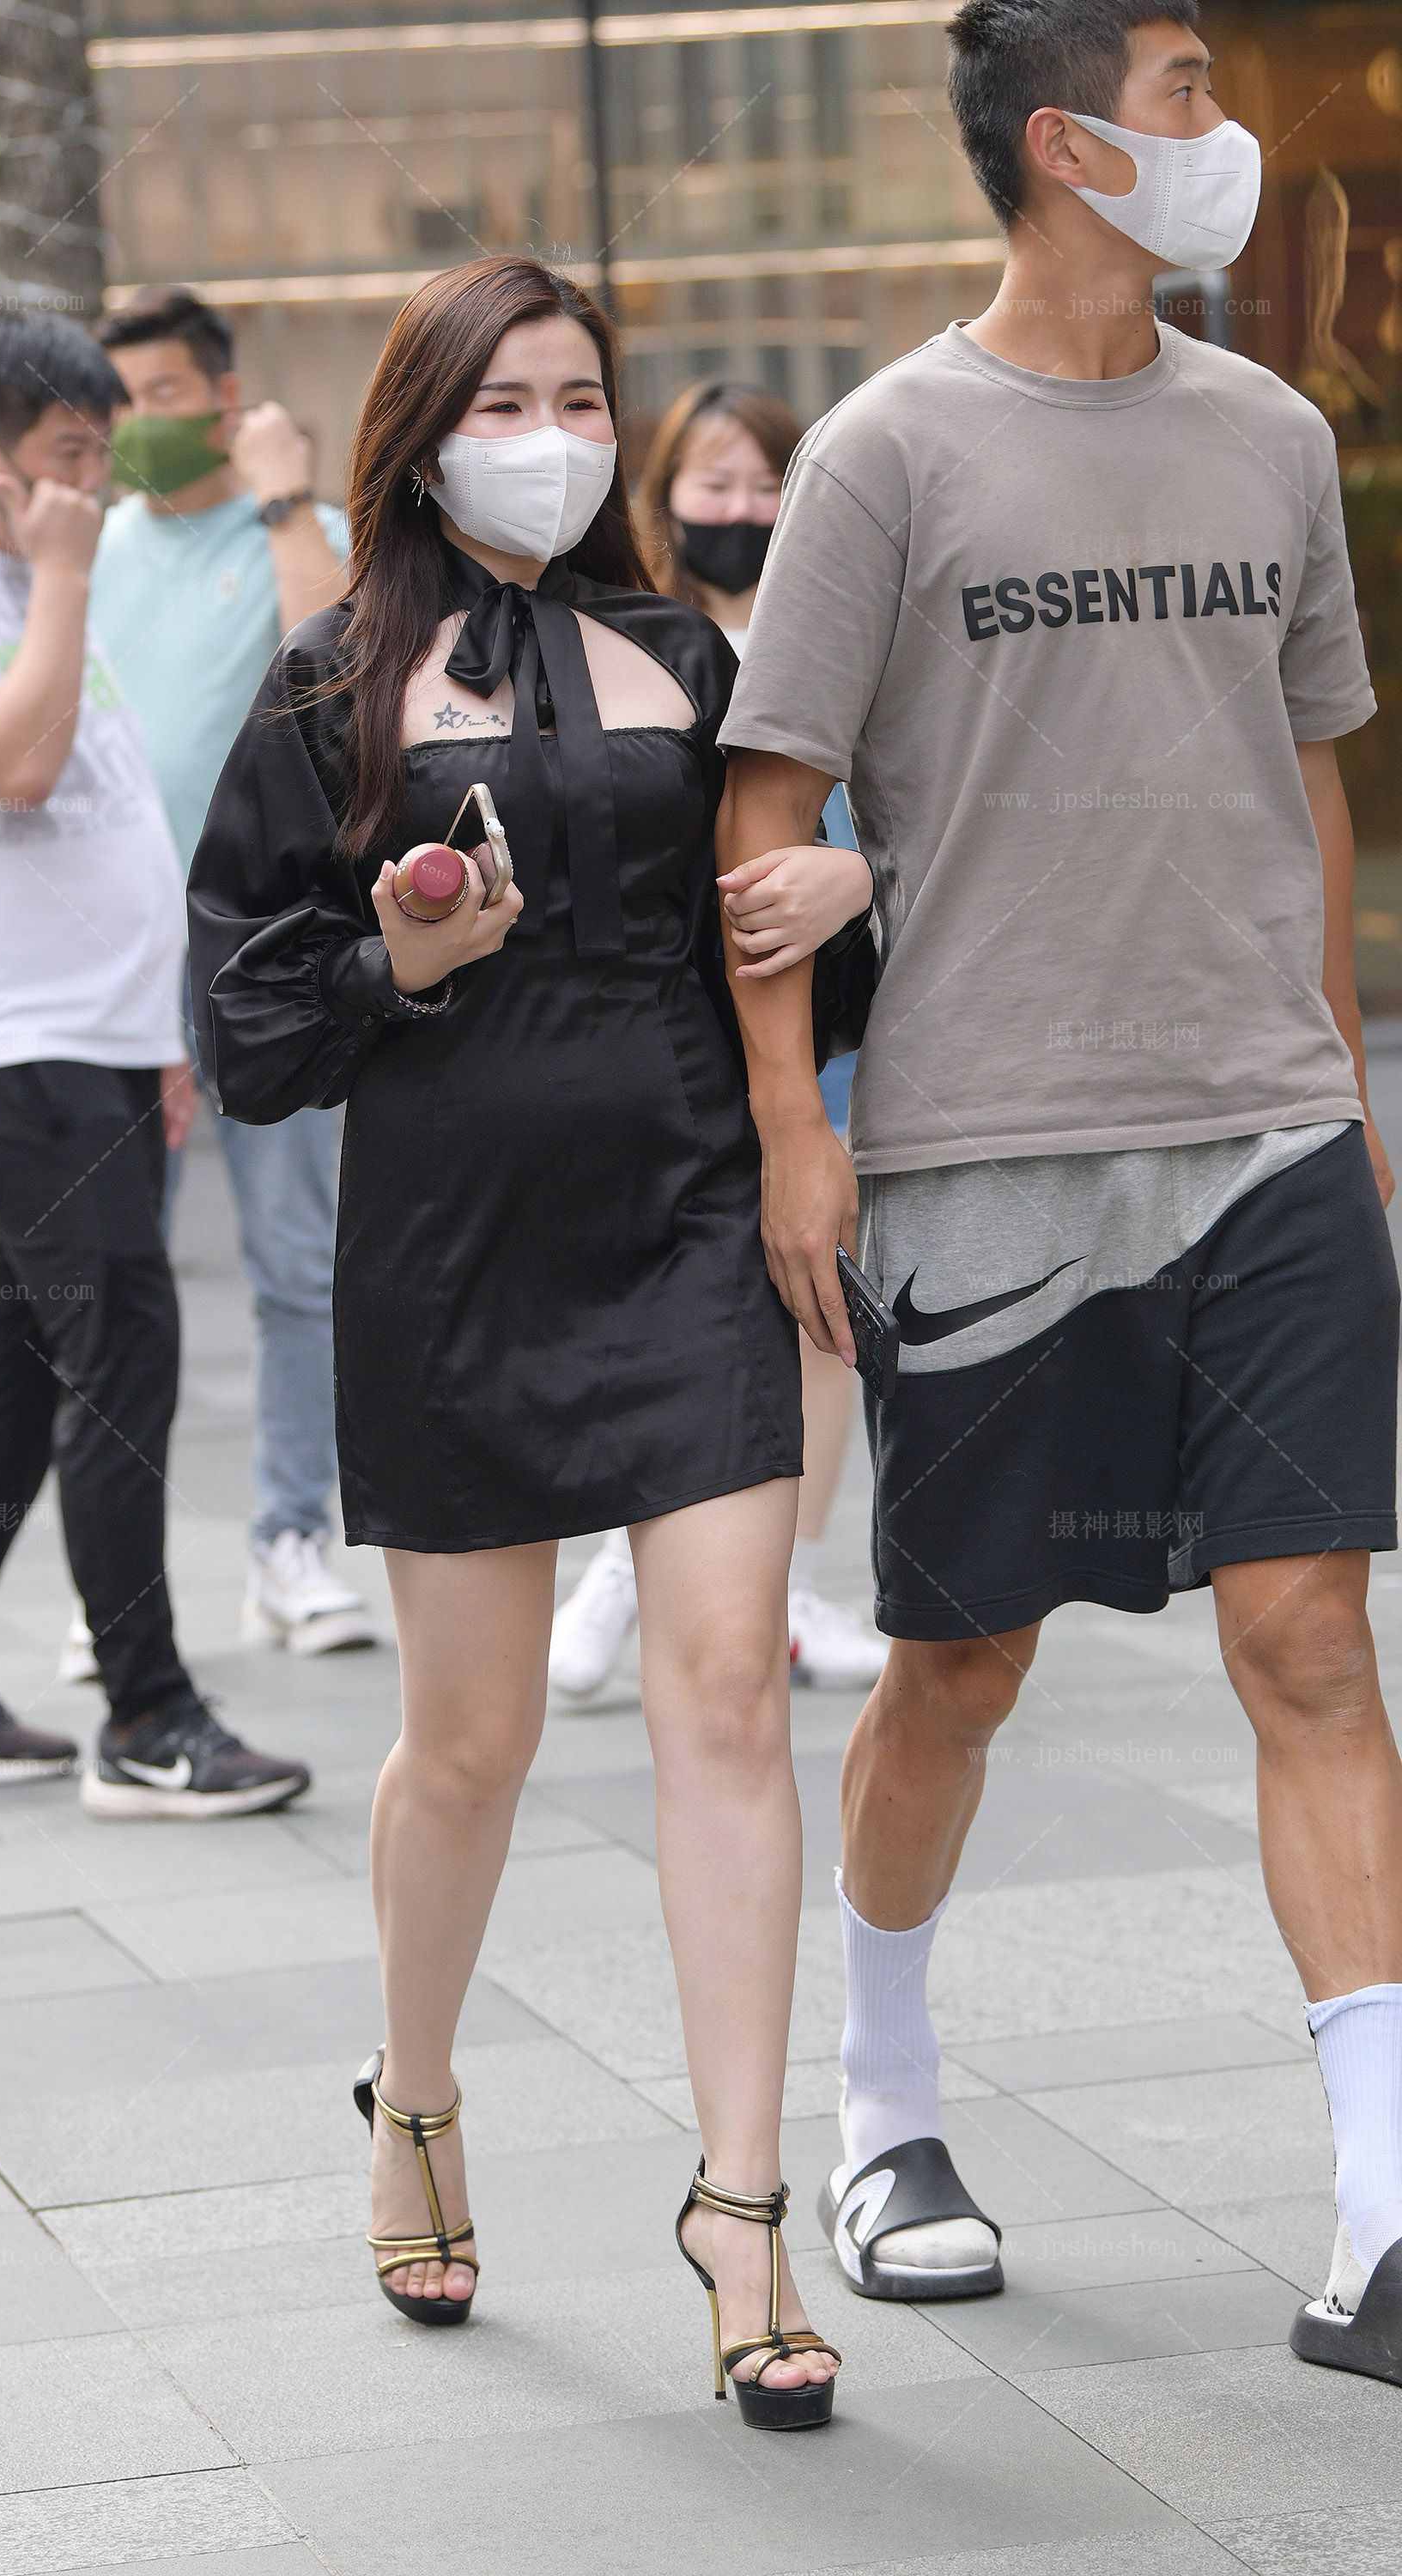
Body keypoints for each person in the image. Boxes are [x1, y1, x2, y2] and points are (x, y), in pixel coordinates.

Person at [715, 0, 1402, 2384]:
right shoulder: (885, 454)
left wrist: (1335, 1067)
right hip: (987, 1151)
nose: (1227, 130)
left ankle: (1383, 2210)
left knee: (1310, 1645)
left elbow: (1308, 766)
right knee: (961, 1662)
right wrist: (797, 1127)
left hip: (1264, 1131)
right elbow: (764, 810)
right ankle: (883, 2107)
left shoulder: (1270, 432)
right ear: (1064, 142)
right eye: (1187, 92)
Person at [190, 255, 871, 2422]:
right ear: (422, 433)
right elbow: (247, 1017)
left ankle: (742, 2206)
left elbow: (777, 942)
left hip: (685, 1220)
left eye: (581, 396)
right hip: (452, 1248)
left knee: (726, 1693)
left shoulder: (690, 652)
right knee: (467, 1744)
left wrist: (845, 896)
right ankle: (412, 2091)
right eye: (505, 401)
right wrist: (399, 959)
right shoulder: (329, 683)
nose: (552, 435)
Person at [0, 310, 309, 1822]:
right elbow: (20, 769)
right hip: (5, 1043)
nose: (96, 482)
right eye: (70, 454)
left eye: (101, 453)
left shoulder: (38, 580)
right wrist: (65, 574)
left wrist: (158, 1035)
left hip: (102, 1042)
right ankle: (148, 1718)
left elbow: (110, 819)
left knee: (34, 1360)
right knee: (124, 1350)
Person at [549, 380, 887, 1699]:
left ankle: (790, 1586)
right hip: (679, 1029)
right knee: (678, 1291)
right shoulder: (632, 641)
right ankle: (627, 1559)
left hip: (832, 1015)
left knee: (823, 1298)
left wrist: (858, 881)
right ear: (666, 497)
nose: (739, 510)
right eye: (714, 483)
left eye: (765, 485)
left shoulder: (847, 627)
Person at [82, 286, 374, 1662]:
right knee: (105, 1279)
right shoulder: (90, 550)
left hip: (266, 952)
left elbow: (340, 685)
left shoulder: (302, 535)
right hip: (112, 970)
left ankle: (289, 1541)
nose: (134, 426)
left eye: (158, 396)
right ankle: (110, 1581)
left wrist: (281, 499)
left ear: (222, 394)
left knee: (297, 1261)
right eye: (117, 402)